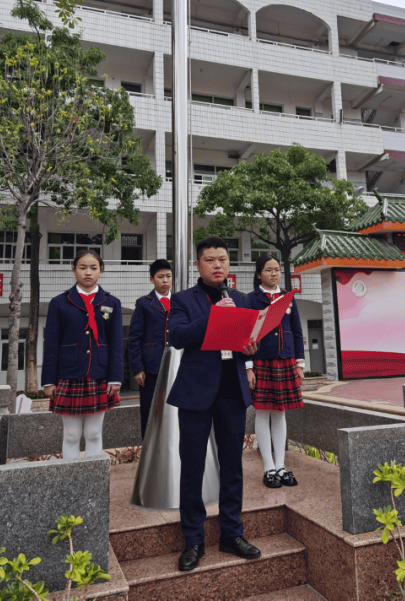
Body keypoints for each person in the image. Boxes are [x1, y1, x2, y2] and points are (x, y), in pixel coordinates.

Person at [167, 235, 261, 572]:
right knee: (192, 467)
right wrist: (213, 317)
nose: (217, 264)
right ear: (198, 264)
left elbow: (251, 341)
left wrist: (252, 349)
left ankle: (231, 534)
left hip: (231, 391)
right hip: (195, 392)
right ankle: (193, 540)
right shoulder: (183, 300)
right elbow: (176, 337)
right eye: (210, 260)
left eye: (223, 258)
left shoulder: (242, 298)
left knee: (233, 466)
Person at [41, 250, 123, 459]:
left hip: (100, 373)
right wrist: (48, 380)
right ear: (74, 270)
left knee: (94, 433)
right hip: (68, 374)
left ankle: (95, 482)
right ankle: (71, 481)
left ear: (101, 271)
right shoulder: (59, 302)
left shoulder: (112, 303)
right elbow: (51, 343)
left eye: (93, 268)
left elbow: (115, 343)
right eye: (83, 268)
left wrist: (116, 377)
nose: (88, 272)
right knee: (71, 434)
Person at [246, 255, 306, 489]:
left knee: (280, 412)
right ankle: (268, 468)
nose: (274, 274)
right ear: (259, 273)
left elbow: (298, 332)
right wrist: (248, 367)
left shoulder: (288, 297)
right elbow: (247, 333)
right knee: (262, 413)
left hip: (286, 360)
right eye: (268, 270)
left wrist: (300, 363)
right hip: (261, 361)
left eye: (277, 270)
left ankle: (281, 466)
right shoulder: (251, 299)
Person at [127, 258, 173, 438]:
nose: (165, 281)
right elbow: (135, 338)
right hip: (151, 368)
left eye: (168, 276)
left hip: (175, 366)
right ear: (151, 279)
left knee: (174, 410)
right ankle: (149, 452)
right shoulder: (144, 303)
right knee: (149, 411)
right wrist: (138, 368)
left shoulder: (180, 302)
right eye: (160, 277)